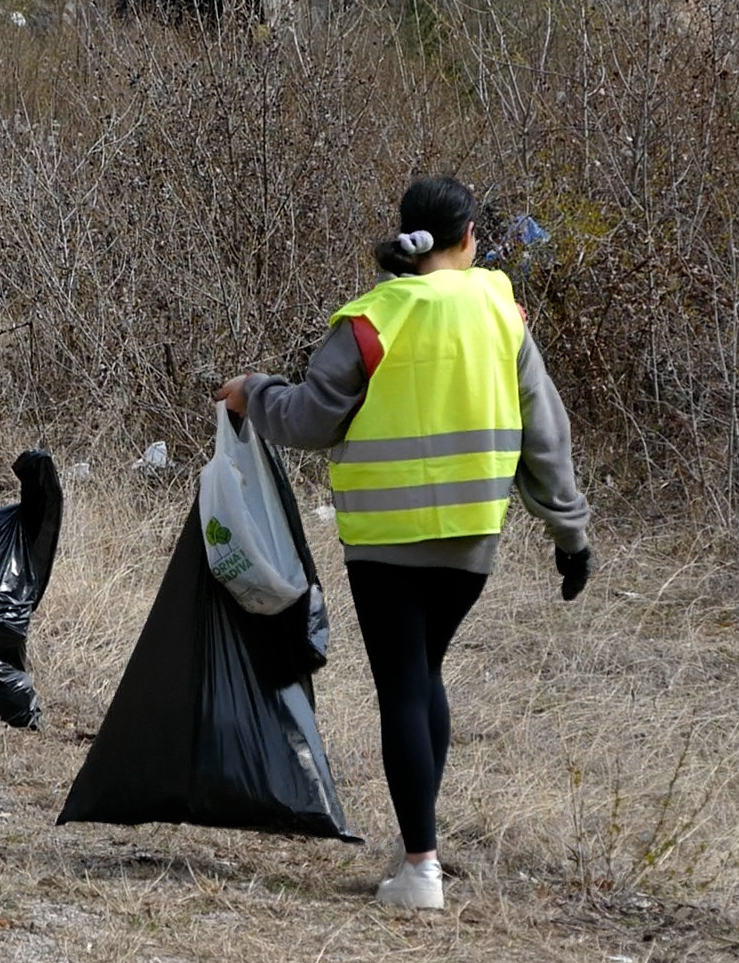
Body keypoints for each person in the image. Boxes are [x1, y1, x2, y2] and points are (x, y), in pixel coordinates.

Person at [216, 175, 592, 911]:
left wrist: (253, 391)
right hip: (471, 539)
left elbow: (306, 421)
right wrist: (569, 533)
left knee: (403, 688)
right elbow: (547, 439)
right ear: (469, 239)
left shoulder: (369, 321)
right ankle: (417, 847)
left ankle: (420, 867)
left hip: (387, 540)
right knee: (425, 676)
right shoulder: (500, 312)